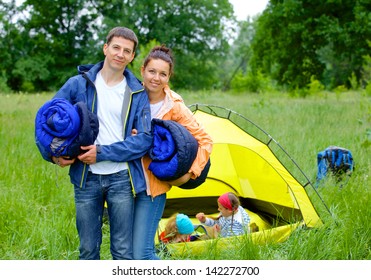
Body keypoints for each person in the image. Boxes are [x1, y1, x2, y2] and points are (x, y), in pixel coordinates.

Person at [35, 27, 152, 260]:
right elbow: (45, 120)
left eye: (127, 51)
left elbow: (145, 139)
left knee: (122, 252)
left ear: (131, 57)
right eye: (116, 47)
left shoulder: (138, 92)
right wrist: (53, 156)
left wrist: (102, 153)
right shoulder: (77, 84)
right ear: (105, 48)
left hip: (121, 178)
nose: (120, 54)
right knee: (88, 250)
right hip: (85, 177)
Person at [132, 46, 213, 259]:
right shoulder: (130, 97)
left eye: (163, 74)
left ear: (169, 77)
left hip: (153, 187)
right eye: (152, 71)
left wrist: (189, 174)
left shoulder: (174, 106)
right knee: (127, 251)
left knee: (144, 253)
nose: (156, 78)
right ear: (142, 70)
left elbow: (205, 140)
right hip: (124, 183)